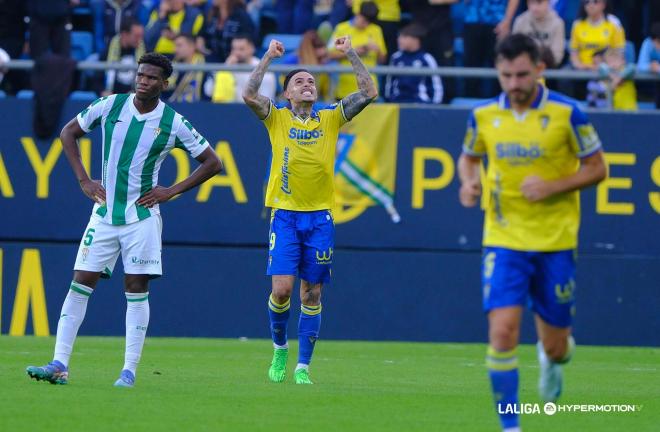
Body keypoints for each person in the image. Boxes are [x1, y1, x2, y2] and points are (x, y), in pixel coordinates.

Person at [26, 52, 222, 388]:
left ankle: (128, 371)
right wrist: (84, 180)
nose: (143, 81)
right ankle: (59, 363)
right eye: (140, 75)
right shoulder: (111, 105)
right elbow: (68, 133)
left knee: (135, 288)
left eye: (150, 77)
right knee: (80, 281)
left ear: (164, 83)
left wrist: (171, 190)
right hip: (103, 214)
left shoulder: (173, 122)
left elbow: (213, 162)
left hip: (141, 218)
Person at [458, 34, 607, 431]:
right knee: (502, 332)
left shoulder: (568, 113)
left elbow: (598, 168)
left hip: (556, 242)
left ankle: (552, 359)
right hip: (504, 239)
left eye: (522, 74)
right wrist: (468, 183)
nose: (514, 84)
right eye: (506, 75)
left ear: (540, 69)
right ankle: (511, 427)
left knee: (558, 348)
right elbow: (469, 158)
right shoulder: (483, 115)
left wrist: (552, 186)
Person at [242, 36, 377, 384]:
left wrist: (349, 52)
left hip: (320, 218)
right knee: (282, 290)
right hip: (285, 216)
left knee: (312, 292)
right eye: (299, 82)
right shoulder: (277, 118)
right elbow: (249, 95)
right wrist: (268, 57)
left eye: (311, 82)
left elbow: (368, 92)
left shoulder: (330, 118)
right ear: (288, 93)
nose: (307, 85)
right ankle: (279, 348)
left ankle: (303, 367)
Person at [327, 1, 386, 100]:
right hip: (345, 89)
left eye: (369, 22)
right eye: (364, 20)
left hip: (369, 90)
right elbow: (330, 55)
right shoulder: (341, 28)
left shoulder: (376, 30)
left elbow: (382, 60)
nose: (366, 25)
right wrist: (352, 52)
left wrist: (378, 50)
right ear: (358, 13)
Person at [206, 34, 276, 102]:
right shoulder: (227, 67)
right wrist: (226, 68)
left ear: (252, 49)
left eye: (241, 49)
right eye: (234, 49)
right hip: (229, 110)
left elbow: (267, 100)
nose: (237, 53)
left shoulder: (264, 70)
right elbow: (208, 91)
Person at [384, 24, 443, 104]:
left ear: (415, 39)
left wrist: (434, 105)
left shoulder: (427, 58)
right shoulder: (396, 58)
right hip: (397, 102)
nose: (399, 40)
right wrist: (389, 100)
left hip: (420, 104)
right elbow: (390, 82)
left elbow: (436, 85)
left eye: (404, 37)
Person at [569, 0, 624, 71]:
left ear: (603, 4)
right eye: (587, 2)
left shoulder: (614, 23)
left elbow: (619, 54)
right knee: (565, 81)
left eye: (595, 1)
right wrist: (580, 66)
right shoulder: (577, 24)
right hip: (582, 69)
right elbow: (574, 54)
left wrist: (607, 67)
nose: (591, 5)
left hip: (607, 70)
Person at [512, 0, 565, 68]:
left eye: (539, 3)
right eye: (531, 3)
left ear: (548, 3)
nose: (535, 8)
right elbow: (514, 50)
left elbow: (557, 56)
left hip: (548, 68)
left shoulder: (557, 23)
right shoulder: (520, 21)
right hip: (523, 67)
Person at [101, 18, 146, 96]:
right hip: (112, 96)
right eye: (136, 36)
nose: (140, 40)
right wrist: (103, 91)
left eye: (141, 36)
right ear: (124, 34)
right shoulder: (107, 52)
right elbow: (98, 79)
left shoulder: (143, 51)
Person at [165, 33, 206, 102]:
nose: (175, 50)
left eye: (179, 45)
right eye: (175, 46)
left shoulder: (205, 66)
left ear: (192, 46)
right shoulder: (172, 65)